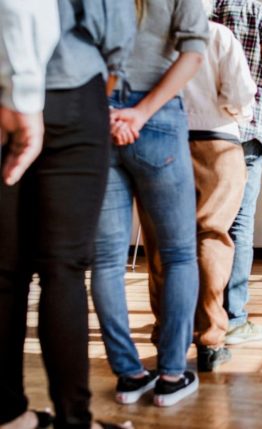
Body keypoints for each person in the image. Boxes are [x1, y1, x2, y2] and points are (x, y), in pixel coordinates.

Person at [0, 0, 137, 428]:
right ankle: (75, 422)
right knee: (64, 269)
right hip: (71, 88)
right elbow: (115, 26)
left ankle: (9, 416)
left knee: (4, 270)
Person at [90, 0, 208, 408]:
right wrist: (140, 112)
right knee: (178, 255)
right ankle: (172, 375)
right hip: (156, 117)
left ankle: (129, 375)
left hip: (101, 116)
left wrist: (102, 111)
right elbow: (193, 54)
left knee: (106, 261)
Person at [142, 0, 257, 373]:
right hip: (217, 143)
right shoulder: (219, 35)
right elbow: (241, 93)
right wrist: (233, 111)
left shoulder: (149, 37)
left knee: (161, 241)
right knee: (211, 235)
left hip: (160, 141)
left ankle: (166, 333)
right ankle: (209, 340)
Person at [211, 0, 262, 345]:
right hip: (248, 128)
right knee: (241, 224)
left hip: (208, 129)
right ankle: (236, 317)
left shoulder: (207, 11)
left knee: (209, 223)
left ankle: (205, 314)